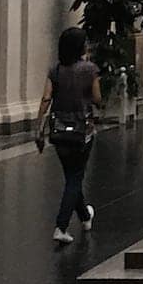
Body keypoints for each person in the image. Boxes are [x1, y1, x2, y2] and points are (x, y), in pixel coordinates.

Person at [36, 25, 101, 244]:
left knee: (72, 176)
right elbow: (97, 99)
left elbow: (46, 99)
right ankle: (61, 226)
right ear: (81, 47)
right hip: (83, 131)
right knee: (75, 178)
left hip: (59, 131)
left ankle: (85, 216)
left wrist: (38, 129)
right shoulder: (90, 69)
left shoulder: (55, 70)